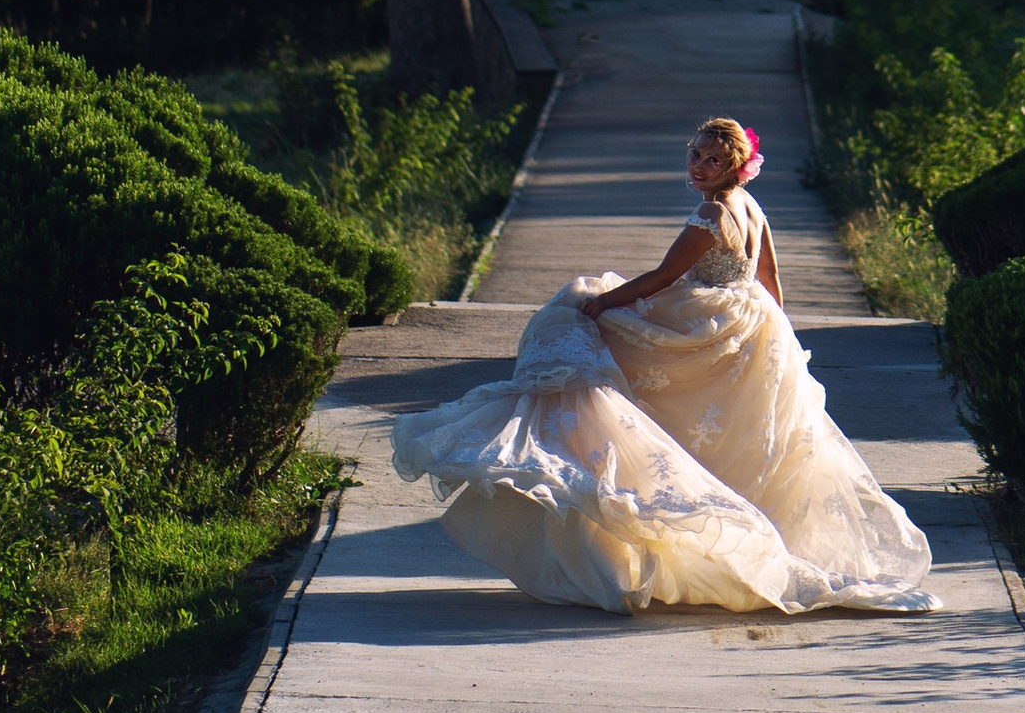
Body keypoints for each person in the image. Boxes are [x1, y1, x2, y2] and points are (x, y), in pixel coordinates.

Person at [389, 115, 941, 614]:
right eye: (695, 156)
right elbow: (770, 283)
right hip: (751, 322)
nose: (699, 168)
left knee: (579, 327)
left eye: (714, 160)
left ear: (737, 166)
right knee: (736, 435)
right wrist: (779, 340)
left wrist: (604, 303)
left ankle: (598, 473)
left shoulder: (712, 212)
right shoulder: (753, 207)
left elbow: (661, 277)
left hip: (708, 317)